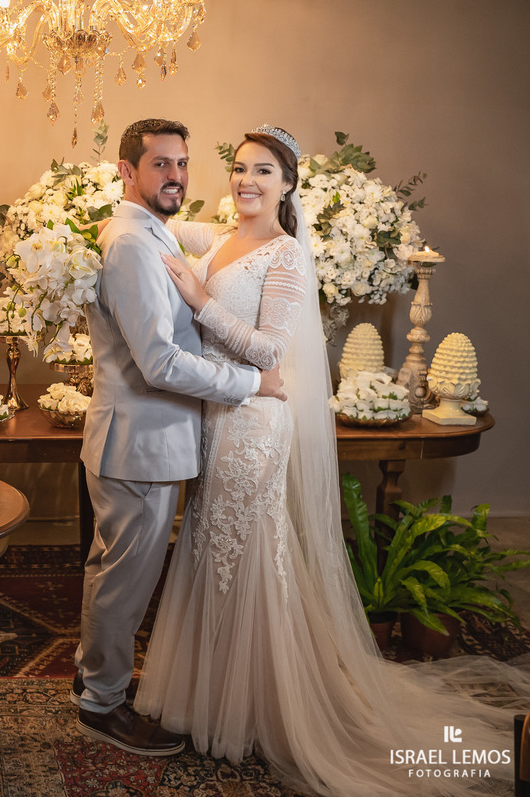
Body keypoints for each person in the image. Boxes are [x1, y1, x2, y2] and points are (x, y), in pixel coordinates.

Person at [138, 124, 530, 796]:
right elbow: (167, 230)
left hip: (255, 422)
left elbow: (268, 351)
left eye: (263, 171)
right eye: (239, 168)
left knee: (248, 553)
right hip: (213, 421)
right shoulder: (223, 236)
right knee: (211, 549)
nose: (247, 180)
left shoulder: (287, 256)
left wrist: (199, 300)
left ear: (288, 184)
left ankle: (262, 711)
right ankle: (209, 702)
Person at [74, 118, 285, 756]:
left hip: (142, 439)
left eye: (182, 163)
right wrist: (249, 383)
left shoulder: (150, 230)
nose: (176, 176)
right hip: (140, 440)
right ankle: (102, 702)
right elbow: (158, 363)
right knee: (125, 577)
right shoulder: (133, 244)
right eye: (161, 164)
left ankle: (93, 676)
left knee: (113, 569)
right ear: (127, 172)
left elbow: (221, 245)